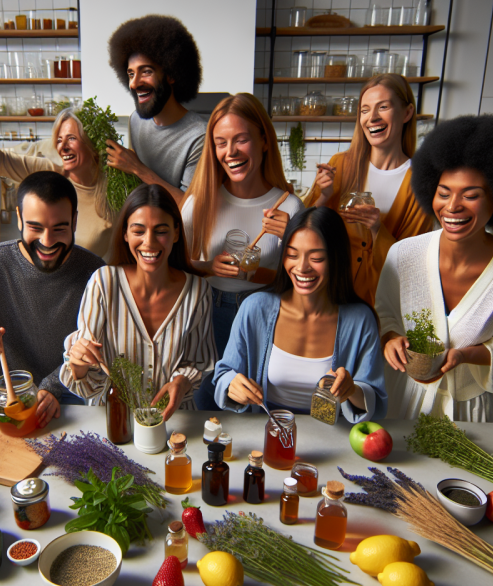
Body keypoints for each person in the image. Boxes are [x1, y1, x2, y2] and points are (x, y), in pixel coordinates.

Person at [0, 171, 104, 425]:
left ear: (75, 221)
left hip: (63, 389)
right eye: (35, 227)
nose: (47, 242)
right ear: (19, 219)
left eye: (59, 228)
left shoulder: (95, 273)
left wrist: (52, 386)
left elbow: (95, 352)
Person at [377, 115, 493, 422]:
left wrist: (465, 355)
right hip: (400, 399)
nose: (452, 207)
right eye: (444, 192)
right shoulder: (404, 254)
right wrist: (391, 339)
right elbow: (385, 315)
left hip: (466, 411)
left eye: (471, 195)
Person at [181, 93, 304, 409]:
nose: (230, 152)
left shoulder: (289, 207)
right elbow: (175, 264)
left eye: (241, 140)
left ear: (264, 140)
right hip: (209, 315)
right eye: (221, 142)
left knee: (257, 402)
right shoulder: (200, 202)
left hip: (267, 316)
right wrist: (209, 266)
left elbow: (302, 281)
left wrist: (292, 236)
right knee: (206, 401)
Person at [213, 207, 387, 422]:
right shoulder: (255, 308)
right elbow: (223, 375)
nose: (301, 268)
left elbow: (375, 402)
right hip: (268, 431)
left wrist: (352, 391)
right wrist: (232, 385)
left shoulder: (360, 320)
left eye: (316, 258)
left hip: (333, 438)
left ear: (336, 258)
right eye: (292, 255)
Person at [60, 183, 216, 420]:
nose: (149, 242)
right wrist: (79, 365)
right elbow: (89, 383)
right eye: (138, 230)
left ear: (176, 233)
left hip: (174, 423)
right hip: (113, 423)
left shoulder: (198, 291)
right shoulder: (103, 283)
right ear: (125, 234)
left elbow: (198, 362)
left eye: (161, 231)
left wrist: (182, 382)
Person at [306, 74, 432, 306]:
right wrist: (323, 196)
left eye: (383, 107)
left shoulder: (420, 181)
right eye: (364, 110)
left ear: (406, 113)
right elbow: (305, 231)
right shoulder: (340, 164)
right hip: (330, 295)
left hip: (383, 304)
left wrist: (377, 229)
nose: (372, 117)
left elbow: (414, 259)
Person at [0, 107, 114, 259]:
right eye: (59, 140)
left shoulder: (114, 190)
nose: (63, 147)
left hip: (96, 283)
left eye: (71, 138)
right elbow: (6, 161)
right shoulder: (52, 175)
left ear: (92, 144)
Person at [106, 14, 206, 205]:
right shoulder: (136, 120)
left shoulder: (199, 136)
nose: (134, 84)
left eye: (146, 72)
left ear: (171, 74)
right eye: (131, 73)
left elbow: (191, 209)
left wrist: (138, 169)